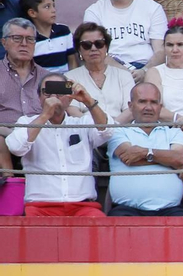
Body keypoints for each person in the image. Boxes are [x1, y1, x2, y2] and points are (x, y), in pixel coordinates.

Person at [4, 73, 109, 216]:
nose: (54, 96)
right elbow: (16, 147)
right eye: (47, 92)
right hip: (40, 207)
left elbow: (107, 131)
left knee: (101, 227)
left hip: (82, 207)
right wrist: (44, 116)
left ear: (69, 97)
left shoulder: (81, 123)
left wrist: (88, 100)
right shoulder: (26, 122)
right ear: (39, 98)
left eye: (60, 91)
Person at [106, 82, 183, 217]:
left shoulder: (174, 132)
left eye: (154, 102)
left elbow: (180, 158)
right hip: (126, 210)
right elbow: (129, 157)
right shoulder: (118, 132)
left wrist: (144, 152)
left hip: (171, 210)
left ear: (160, 107)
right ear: (130, 106)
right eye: (142, 102)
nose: (148, 107)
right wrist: (168, 160)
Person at [83, 0, 169, 71]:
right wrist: (126, 74)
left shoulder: (152, 8)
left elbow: (160, 50)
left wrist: (144, 71)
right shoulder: (94, 12)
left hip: (147, 68)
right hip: (111, 69)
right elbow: (96, 52)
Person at [65, 22, 136, 123]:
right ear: (79, 50)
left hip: (121, 130)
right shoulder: (69, 77)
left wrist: (111, 128)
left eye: (99, 44)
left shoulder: (124, 76)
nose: (93, 48)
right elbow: (71, 110)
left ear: (106, 47)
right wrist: (97, 129)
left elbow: (130, 109)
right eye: (87, 45)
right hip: (85, 131)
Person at [141, 26, 183, 127]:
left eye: (180, 45)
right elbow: (154, 106)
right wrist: (179, 120)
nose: (174, 50)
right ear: (164, 48)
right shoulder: (154, 72)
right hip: (163, 127)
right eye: (170, 45)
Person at [1, 16, 43, 181]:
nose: (24, 44)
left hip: (41, 136)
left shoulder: (48, 77)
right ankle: (9, 184)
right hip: (4, 133)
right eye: (17, 38)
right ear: (4, 43)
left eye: (30, 39)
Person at [21, 0, 73, 73]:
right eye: (47, 7)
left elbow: (72, 60)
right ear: (32, 13)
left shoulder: (64, 31)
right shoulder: (28, 38)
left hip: (65, 81)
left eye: (53, 6)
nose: (53, 10)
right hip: (41, 83)